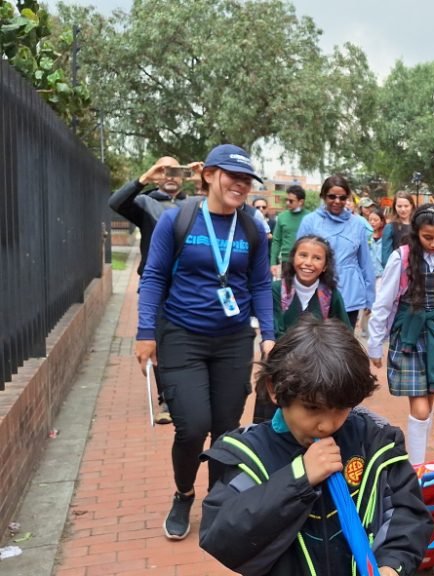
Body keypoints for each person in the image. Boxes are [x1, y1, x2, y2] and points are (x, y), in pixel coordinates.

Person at [199, 316, 434, 576]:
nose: (327, 425)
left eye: (341, 408)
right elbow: (222, 537)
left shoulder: (372, 440)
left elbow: (409, 513)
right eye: (312, 408)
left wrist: (392, 564)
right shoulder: (252, 453)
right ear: (274, 389)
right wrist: (298, 479)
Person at [134, 144, 274, 541]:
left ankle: (218, 499)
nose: (240, 185)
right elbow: (155, 276)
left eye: (246, 180)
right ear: (209, 175)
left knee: (227, 428)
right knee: (193, 426)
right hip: (182, 336)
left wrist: (269, 336)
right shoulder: (177, 219)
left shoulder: (252, 228)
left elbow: (260, 284)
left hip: (233, 340)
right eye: (233, 176)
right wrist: (145, 333)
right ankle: (184, 493)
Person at [367, 204, 434, 466]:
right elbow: (384, 303)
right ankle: (415, 466)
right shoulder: (401, 258)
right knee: (421, 409)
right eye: (428, 237)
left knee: (429, 401)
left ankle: (418, 462)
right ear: (416, 233)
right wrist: (375, 344)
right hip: (410, 335)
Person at [109, 155, 199, 425]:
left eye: (175, 171)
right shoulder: (146, 203)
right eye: (164, 170)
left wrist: (204, 179)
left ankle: (190, 390)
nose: (170, 176)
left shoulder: (194, 205)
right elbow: (116, 202)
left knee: (190, 339)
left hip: (188, 285)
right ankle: (166, 399)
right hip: (157, 285)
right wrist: (146, 177)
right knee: (160, 341)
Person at [253, 235, 352, 423]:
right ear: (293, 258)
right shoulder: (275, 290)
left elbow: (344, 334)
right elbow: (272, 331)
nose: (308, 263)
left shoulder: (330, 296)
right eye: (303, 255)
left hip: (317, 374)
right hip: (280, 371)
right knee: (271, 426)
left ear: (325, 266)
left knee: (310, 423)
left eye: (317, 258)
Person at [297, 175, 376, 327]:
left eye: (342, 197)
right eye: (332, 196)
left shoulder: (358, 224)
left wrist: (370, 296)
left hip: (350, 293)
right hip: (316, 291)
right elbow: (298, 259)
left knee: (345, 339)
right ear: (323, 196)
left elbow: (365, 262)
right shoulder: (310, 221)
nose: (337, 201)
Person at [270, 184, 311, 277]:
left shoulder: (310, 217)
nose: (287, 203)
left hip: (305, 261)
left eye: (291, 201)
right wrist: (273, 263)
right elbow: (276, 241)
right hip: (286, 261)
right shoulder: (282, 217)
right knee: (286, 286)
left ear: (301, 202)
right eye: (286, 200)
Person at [360, 207, 387, 337]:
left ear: (381, 221)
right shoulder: (366, 236)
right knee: (367, 301)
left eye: (375, 220)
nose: (372, 222)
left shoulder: (386, 237)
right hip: (368, 273)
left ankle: (376, 330)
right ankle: (364, 328)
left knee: (378, 301)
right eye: (370, 220)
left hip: (381, 273)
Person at [380, 190, 416, 268]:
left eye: (406, 206)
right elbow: (386, 257)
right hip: (397, 267)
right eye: (399, 206)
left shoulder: (417, 225)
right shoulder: (390, 227)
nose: (403, 209)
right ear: (395, 207)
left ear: (411, 206)